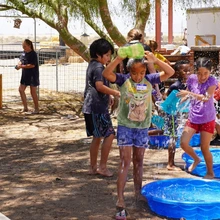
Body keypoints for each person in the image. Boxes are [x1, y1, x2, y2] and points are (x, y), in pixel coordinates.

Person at [102, 46, 174, 219]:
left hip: (142, 128)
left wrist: (155, 61)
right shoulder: (123, 80)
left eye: (141, 72)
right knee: (125, 162)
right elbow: (106, 74)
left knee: (139, 161)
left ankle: (137, 193)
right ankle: (120, 199)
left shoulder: (150, 79)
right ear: (129, 71)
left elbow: (170, 72)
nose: (138, 76)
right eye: (135, 73)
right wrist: (118, 59)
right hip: (126, 127)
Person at [82, 38, 120, 177]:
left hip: (90, 106)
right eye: (107, 55)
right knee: (109, 134)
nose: (109, 58)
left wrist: (108, 96)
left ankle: (93, 167)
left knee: (97, 137)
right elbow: (99, 86)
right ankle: (102, 167)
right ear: (99, 54)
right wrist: (115, 93)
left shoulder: (92, 65)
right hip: (96, 107)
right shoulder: (99, 67)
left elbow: (95, 86)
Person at [177, 57, 218, 179]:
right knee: (183, 143)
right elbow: (188, 90)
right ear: (195, 72)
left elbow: (206, 97)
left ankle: (210, 172)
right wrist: (182, 99)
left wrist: (189, 94)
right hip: (194, 117)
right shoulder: (192, 79)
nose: (202, 76)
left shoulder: (212, 81)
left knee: (204, 148)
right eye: (199, 73)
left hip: (207, 118)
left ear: (210, 72)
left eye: (205, 73)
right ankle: (196, 159)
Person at [163, 60, 191, 170]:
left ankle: (173, 162)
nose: (187, 73)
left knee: (177, 137)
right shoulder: (176, 86)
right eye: (184, 71)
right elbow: (167, 99)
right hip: (172, 114)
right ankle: (170, 163)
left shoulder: (187, 84)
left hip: (179, 114)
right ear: (178, 73)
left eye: (189, 70)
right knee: (173, 138)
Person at [15, 39, 40, 114]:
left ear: (29, 45)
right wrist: (18, 65)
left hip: (33, 75)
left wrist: (21, 66)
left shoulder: (33, 54)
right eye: (23, 46)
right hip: (25, 75)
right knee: (21, 90)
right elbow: (21, 60)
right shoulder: (23, 53)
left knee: (33, 92)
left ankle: (36, 108)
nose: (23, 48)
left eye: (25, 46)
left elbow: (32, 65)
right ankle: (25, 108)